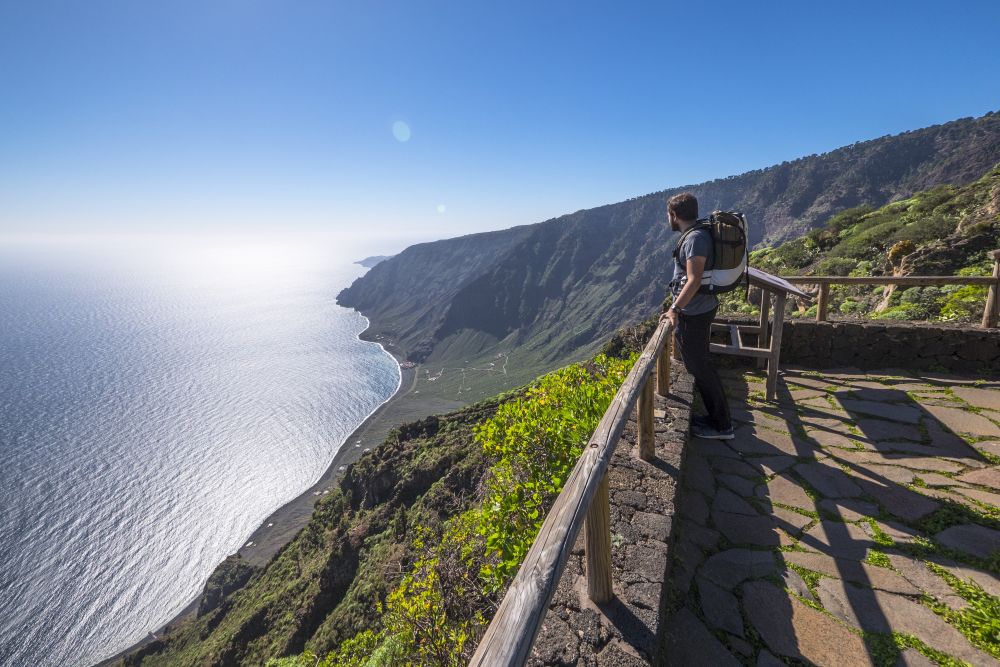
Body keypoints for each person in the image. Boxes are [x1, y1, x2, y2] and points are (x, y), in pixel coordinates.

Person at [660, 193, 734, 440]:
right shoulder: (698, 234)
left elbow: (693, 280)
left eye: (669, 215)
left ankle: (723, 426)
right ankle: (716, 418)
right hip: (699, 308)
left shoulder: (695, 239)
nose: (668, 219)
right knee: (699, 365)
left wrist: (675, 310)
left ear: (675, 215)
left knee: (701, 367)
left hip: (695, 311)